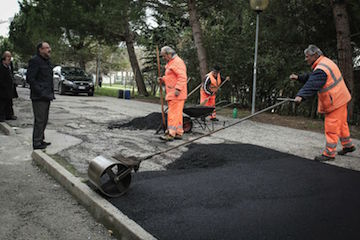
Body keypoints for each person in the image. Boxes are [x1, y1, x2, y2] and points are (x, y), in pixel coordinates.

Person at [290, 44, 355, 161]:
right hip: (341, 98)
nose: (306, 59)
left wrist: (300, 96)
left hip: (334, 101)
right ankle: (348, 146)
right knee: (341, 124)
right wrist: (299, 77)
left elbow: (313, 83)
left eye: (307, 56)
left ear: (315, 55)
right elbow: (312, 77)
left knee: (331, 126)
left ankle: (329, 154)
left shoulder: (321, 69)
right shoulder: (324, 63)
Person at [26, 42, 55, 150]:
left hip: (47, 95)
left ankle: (40, 139)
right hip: (39, 96)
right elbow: (30, 78)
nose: (49, 49)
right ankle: (36, 142)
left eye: (49, 47)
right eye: (47, 48)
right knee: (40, 120)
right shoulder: (35, 61)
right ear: (40, 50)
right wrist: (40, 91)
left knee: (44, 119)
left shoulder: (47, 62)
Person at [158, 46, 187, 141]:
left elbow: (182, 77)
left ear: (169, 54)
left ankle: (170, 133)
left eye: (164, 56)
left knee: (172, 114)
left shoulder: (177, 62)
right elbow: (171, 78)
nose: (163, 58)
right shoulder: (172, 63)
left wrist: (178, 89)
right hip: (173, 93)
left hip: (176, 94)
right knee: (177, 114)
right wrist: (163, 79)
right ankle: (178, 132)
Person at [3, 51, 18, 120]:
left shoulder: (10, 64)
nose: (9, 58)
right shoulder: (2, 65)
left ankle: (10, 115)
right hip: (4, 87)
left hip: (10, 86)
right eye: (8, 56)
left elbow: (11, 72)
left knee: (10, 101)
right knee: (4, 102)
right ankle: (3, 115)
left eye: (10, 56)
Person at [0, 52, 14, 122]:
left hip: (9, 88)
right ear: (4, 59)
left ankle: (9, 115)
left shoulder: (9, 66)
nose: (9, 60)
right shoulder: (2, 67)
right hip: (3, 89)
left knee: (9, 102)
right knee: (2, 103)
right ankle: (1, 116)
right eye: (8, 58)